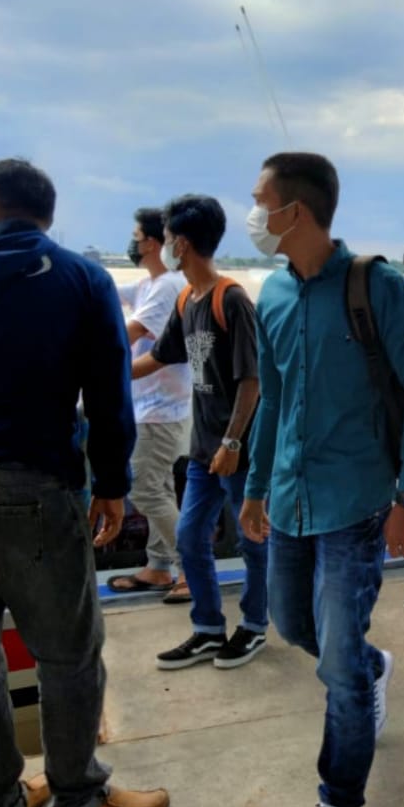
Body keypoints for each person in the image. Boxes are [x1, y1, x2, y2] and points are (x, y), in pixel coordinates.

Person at [0, 158, 168, 807]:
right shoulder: (81, 279)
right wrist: (111, 485)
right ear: (48, 219)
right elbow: (109, 393)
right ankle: (79, 800)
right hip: (30, 487)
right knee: (67, 653)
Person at [240, 152, 404, 807]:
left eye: (259, 200)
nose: (253, 214)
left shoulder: (376, 285)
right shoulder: (271, 294)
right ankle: (371, 666)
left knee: (336, 662)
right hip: (289, 497)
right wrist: (256, 486)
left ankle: (341, 801)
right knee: (294, 625)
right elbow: (272, 398)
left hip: (357, 501)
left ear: (293, 211)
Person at [132, 194, 269, 670]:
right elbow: (160, 355)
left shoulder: (230, 299)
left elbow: (252, 379)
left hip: (237, 451)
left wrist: (233, 442)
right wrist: (105, 374)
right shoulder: (186, 299)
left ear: (183, 244)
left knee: (253, 541)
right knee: (190, 538)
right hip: (202, 450)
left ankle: (254, 625)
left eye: (168, 238)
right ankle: (208, 629)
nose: (165, 245)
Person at [108, 207, 192, 595]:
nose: (132, 244)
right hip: (154, 407)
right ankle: (159, 567)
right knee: (160, 488)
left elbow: (128, 334)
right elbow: (105, 293)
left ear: (153, 244)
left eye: (136, 237)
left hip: (161, 409)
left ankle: (192, 570)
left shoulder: (167, 287)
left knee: (144, 489)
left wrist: (87, 368)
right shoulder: (150, 284)